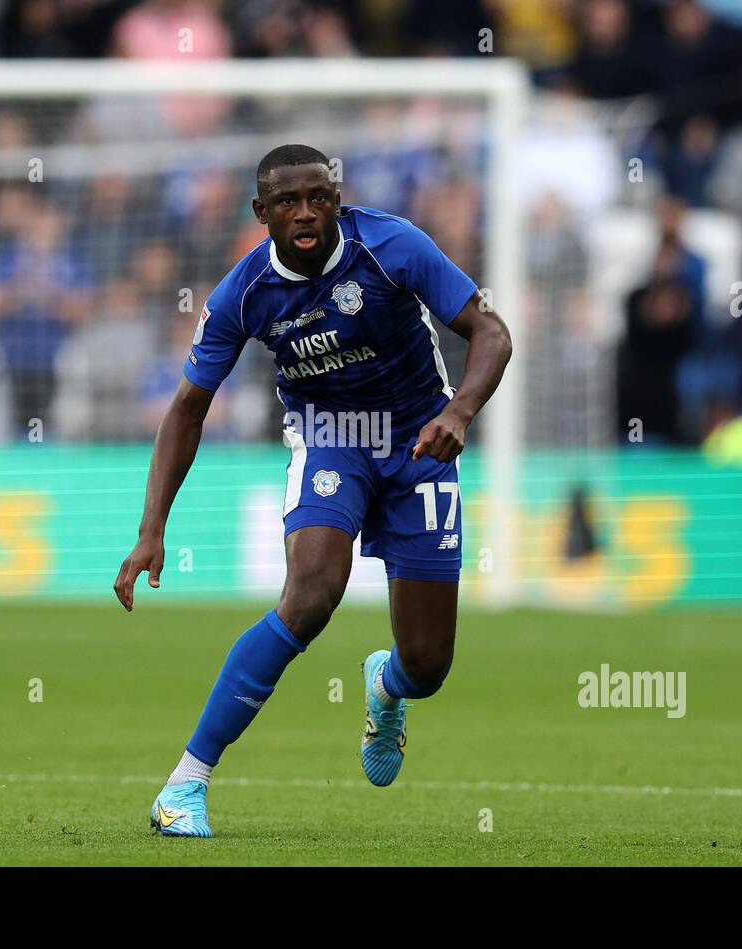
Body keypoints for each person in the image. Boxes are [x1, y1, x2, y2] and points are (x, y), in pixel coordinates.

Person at [113, 145, 512, 837]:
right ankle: (185, 786)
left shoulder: (392, 245)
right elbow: (187, 409)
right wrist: (152, 529)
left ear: (336, 199)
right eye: (289, 202)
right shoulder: (242, 293)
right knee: (310, 596)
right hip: (330, 440)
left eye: (319, 197)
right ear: (261, 213)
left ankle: (386, 687)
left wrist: (458, 413)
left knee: (428, 663)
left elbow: (492, 333)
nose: (306, 212)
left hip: (420, 442)